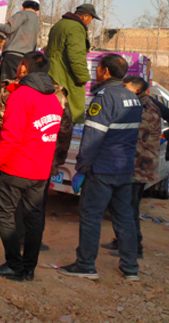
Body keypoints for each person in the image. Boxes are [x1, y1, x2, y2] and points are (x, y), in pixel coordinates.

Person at [57, 54, 143, 281]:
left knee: (91, 216)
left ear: (105, 71)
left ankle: (85, 265)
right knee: (124, 216)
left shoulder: (104, 98)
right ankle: (130, 267)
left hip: (103, 169)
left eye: (98, 68)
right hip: (124, 168)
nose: (95, 72)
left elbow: (93, 137)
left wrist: (82, 168)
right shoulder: (133, 98)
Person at [0, 52, 65, 281]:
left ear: (24, 68)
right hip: (41, 170)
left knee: (4, 213)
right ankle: (29, 268)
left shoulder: (21, 95)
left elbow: (11, 135)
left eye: (20, 64)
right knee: (34, 218)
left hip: (17, 167)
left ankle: (14, 265)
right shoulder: (54, 98)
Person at [101, 75, 161, 259]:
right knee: (121, 206)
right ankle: (121, 240)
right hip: (131, 165)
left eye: (125, 86)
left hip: (138, 167)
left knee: (129, 208)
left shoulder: (145, 109)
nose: (122, 89)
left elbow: (133, 136)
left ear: (136, 89)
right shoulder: (137, 104)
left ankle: (135, 248)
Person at [45, 4, 100, 123]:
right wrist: (83, 78)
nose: (90, 22)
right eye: (91, 19)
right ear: (85, 16)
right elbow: (76, 56)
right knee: (70, 114)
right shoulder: (76, 28)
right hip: (66, 76)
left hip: (52, 74)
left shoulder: (59, 24)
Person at [0, 0, 40, 83]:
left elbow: (8, 29)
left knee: (7, 84)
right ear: (37, 11)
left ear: (22, 7)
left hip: (12, 57)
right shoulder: (36, 21)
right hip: (27, 58)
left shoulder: (22, 14)